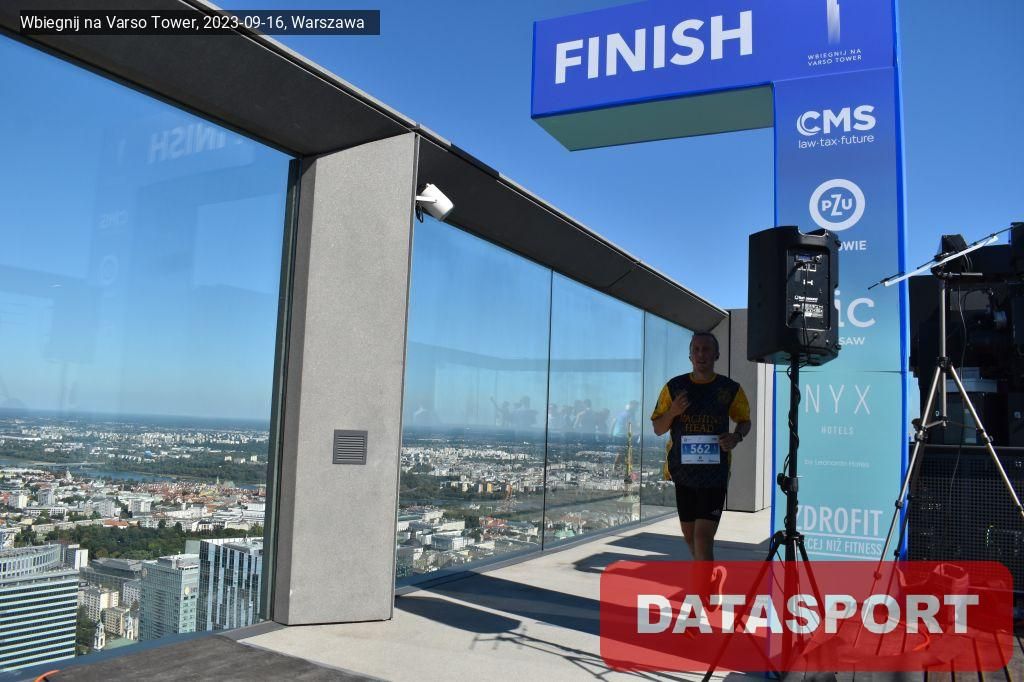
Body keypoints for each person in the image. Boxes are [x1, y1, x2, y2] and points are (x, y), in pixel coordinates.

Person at [651, 331, 751, 563]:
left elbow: (745, 421)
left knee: (702, 538)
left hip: (714, 475)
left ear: (716, 355)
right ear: (690, 356)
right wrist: (673, 412)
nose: (701, 354)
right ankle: (709, 578)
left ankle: (704, 586)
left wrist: (736, 437)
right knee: (690, 538)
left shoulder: (730, 388)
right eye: (696, 350)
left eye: (706, 349)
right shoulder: (674, 387)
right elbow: (657, 428)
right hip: (683, 474)